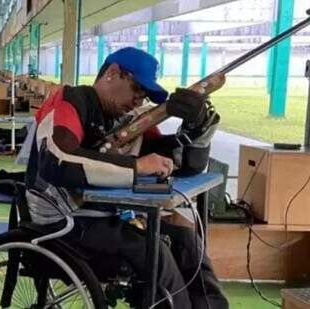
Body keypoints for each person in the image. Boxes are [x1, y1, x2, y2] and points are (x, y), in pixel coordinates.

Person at [25, 46, 229, 309]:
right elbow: (58, 160)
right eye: (136, 89)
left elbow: (180, 165)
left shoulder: (130, 120)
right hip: (62, 221)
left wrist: (198, 127)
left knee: (186, 240)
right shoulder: (71, 100)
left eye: (145, 96)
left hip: (104, 215)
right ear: (112, 73)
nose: (139, 100)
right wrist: (136, 167)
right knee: (154, 252)